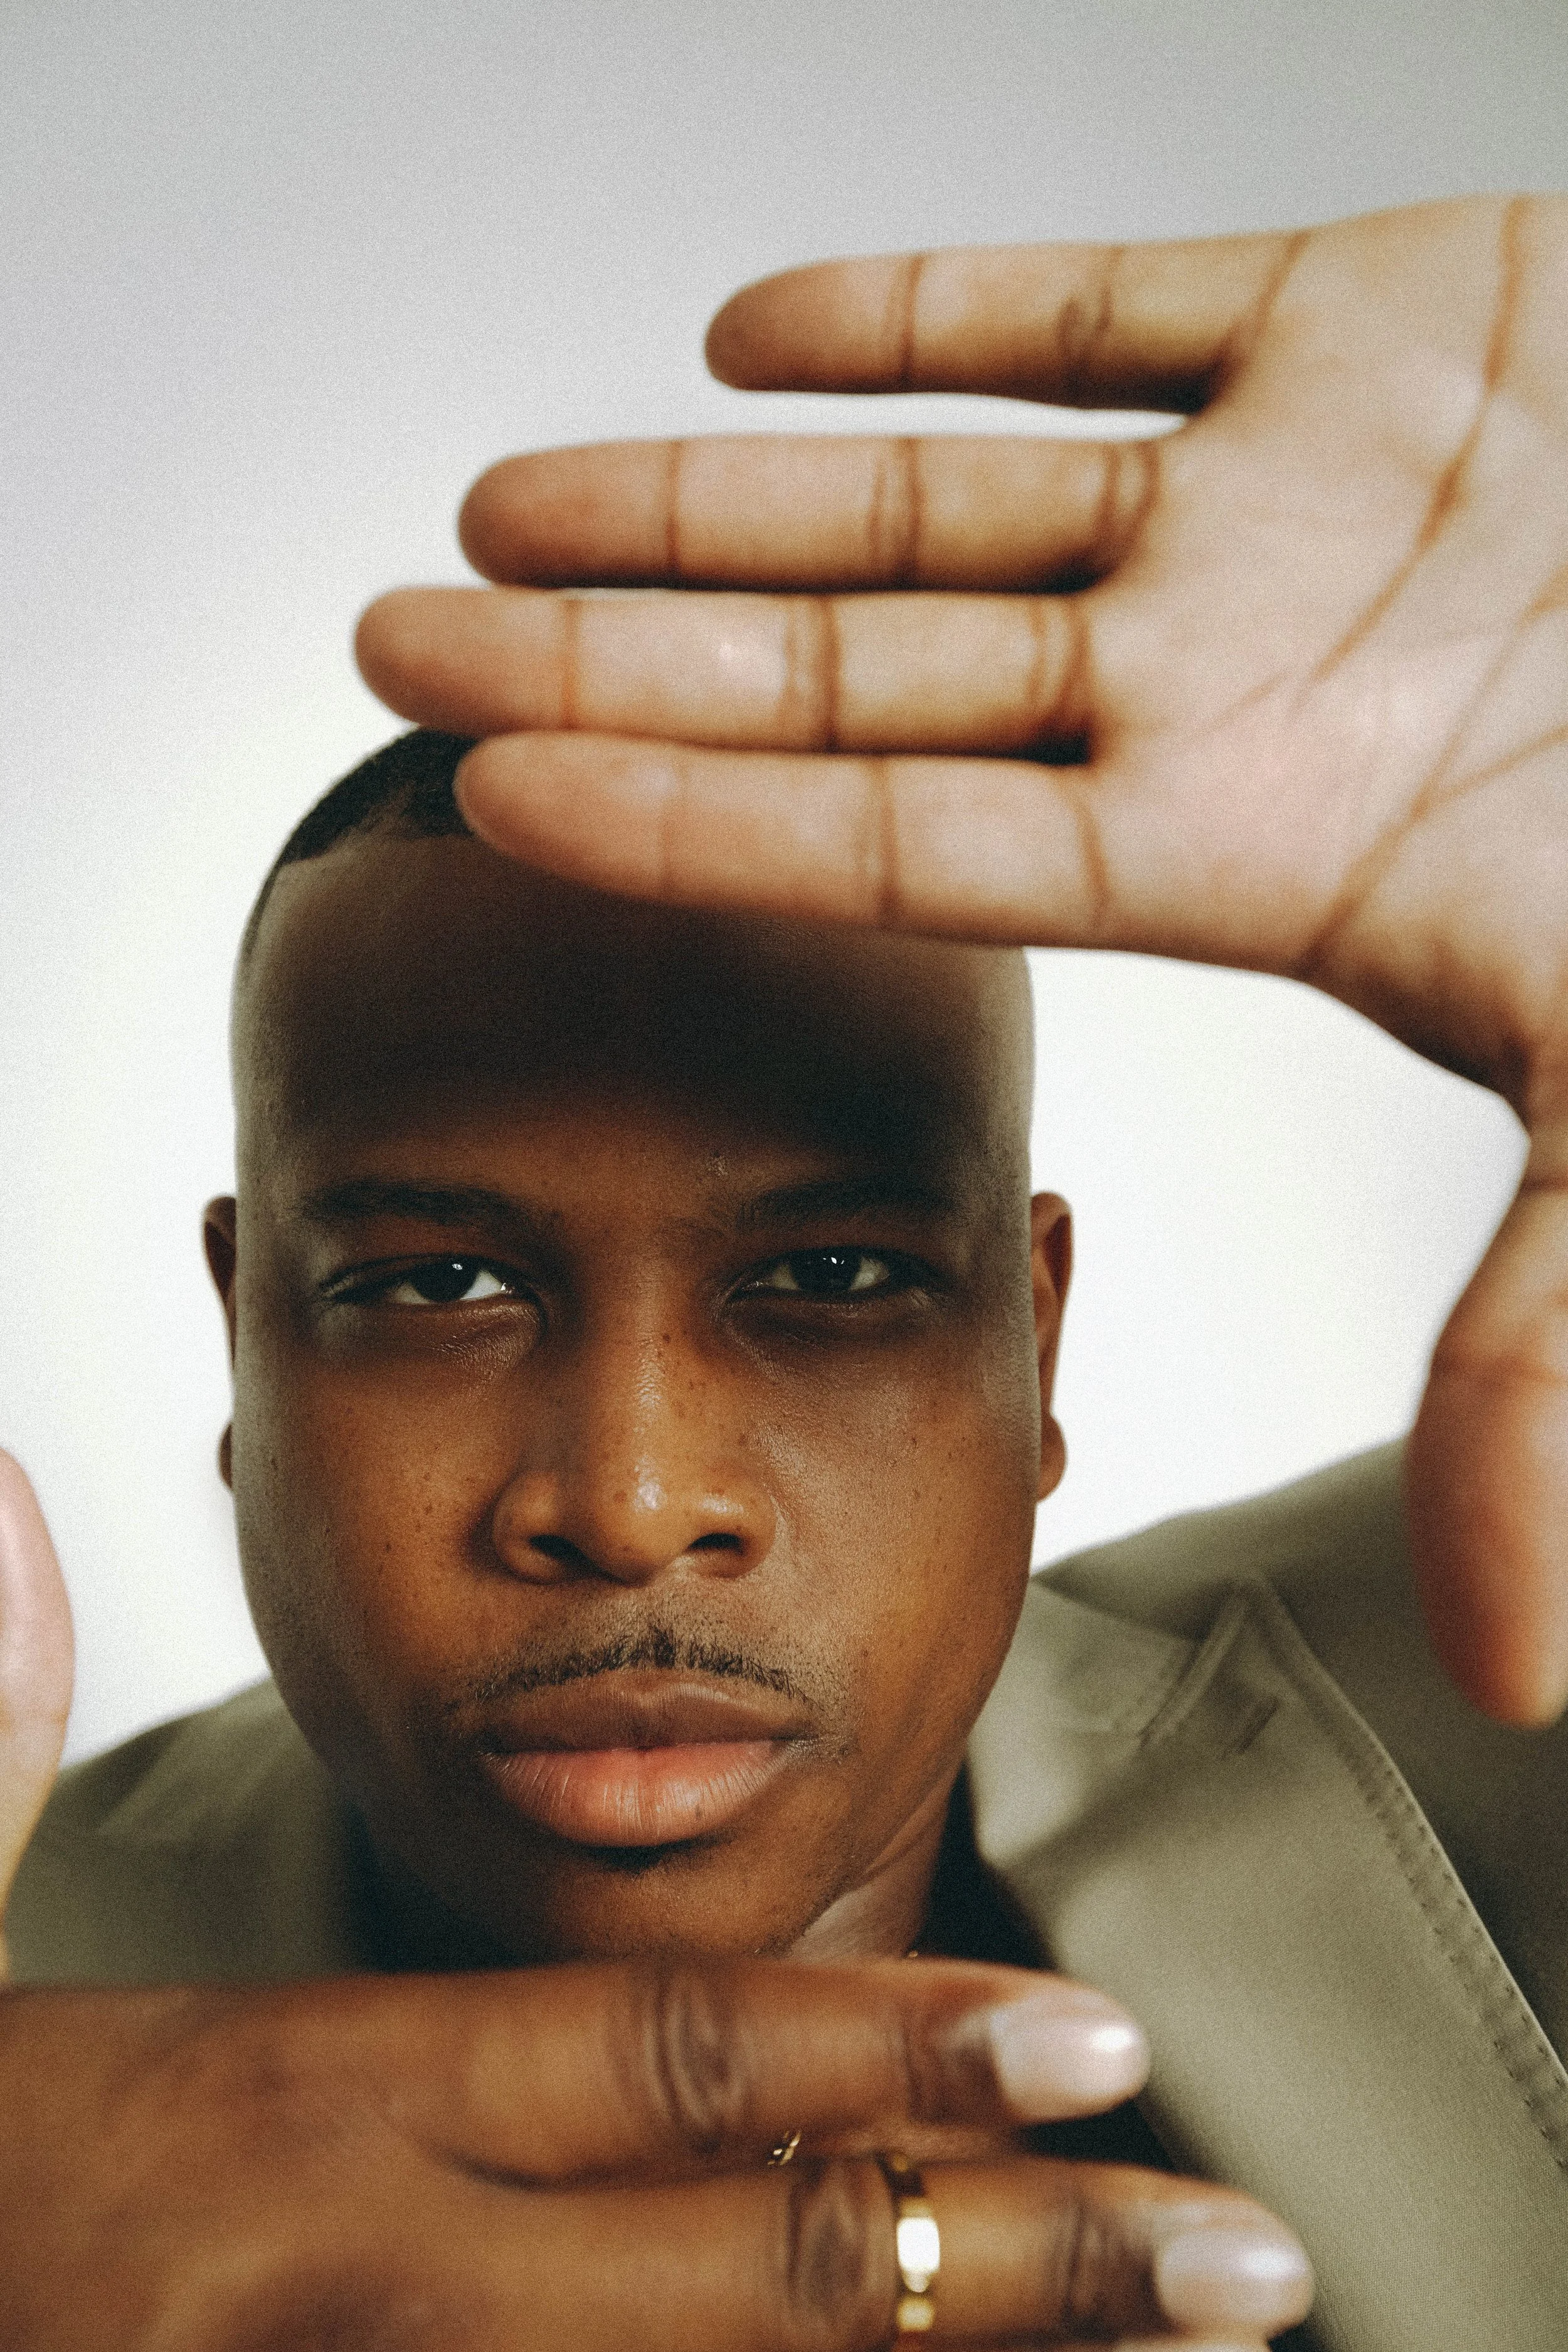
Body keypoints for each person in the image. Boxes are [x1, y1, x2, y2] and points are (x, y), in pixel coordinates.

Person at [1, 191, 1564, 2352]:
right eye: (435, 1289)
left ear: (1040, 1335)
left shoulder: (1492, 1724)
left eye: (828, 1273)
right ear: (241, 1344)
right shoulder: (27, 1984)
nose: (630, 1500)